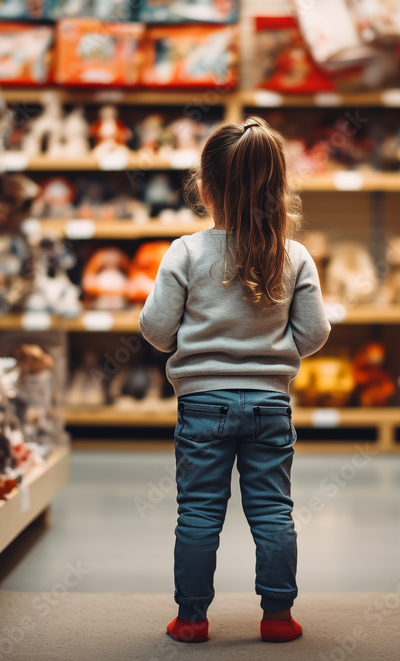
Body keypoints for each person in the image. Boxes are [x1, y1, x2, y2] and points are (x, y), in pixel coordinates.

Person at [139, 117, 331, 644]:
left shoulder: (185, 252)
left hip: (202, 406)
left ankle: (193, 618)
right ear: (277, 187)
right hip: (271, 405)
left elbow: (156, 331)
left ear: (205, 187)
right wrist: (270, 356)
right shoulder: (293, 256)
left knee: (199, 512)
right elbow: (314, 332)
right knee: (273, 510)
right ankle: (277, 617)